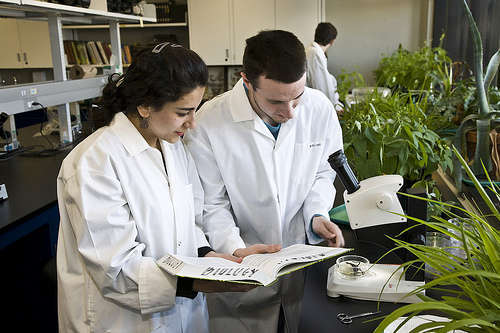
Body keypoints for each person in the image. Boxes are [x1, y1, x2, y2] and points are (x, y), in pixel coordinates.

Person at [56, 42, 251, 333]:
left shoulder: (172, 146)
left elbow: (189, 222)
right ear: (145, 105)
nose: (193, 123)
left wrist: (210, 256)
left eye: (195, 110)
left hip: (184, 313)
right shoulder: (93, 163)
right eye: (183, 111)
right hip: (122, 321)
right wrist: (197, 281)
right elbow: (116, 270)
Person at [184, 30, 345, 333]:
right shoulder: (209, 122)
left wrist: (317, 215)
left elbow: (324, 173)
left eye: (297, 97)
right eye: (275, 102)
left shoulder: (319, 108)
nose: (290, 112)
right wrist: (237, 253)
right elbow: (211, 203)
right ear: (247, 81)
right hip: (240, 274)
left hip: (300, 265)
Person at [306, 22, 343, 112]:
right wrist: (335, 108)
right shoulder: (315, 54)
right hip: (316, 107)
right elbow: (322, 87)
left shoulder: (312, 51)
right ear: (332, 41)